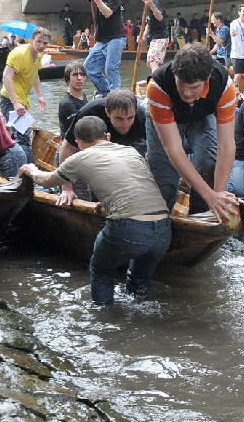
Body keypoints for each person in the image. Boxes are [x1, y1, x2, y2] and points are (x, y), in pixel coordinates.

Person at [20, 116, 170, 305]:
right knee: (138, 280)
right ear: (107, 137)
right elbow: (134, 185)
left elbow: (47, 180)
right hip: (164, 229)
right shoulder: (130, 151)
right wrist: (105, 205)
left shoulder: (80, 157)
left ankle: (105, 317)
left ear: (78, 143)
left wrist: (31, 169)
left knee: (101, 271)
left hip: (128, 228)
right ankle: (140, 313)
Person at [146, 43, 239, 219]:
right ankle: (160, 220)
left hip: (202, 116)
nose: (187, 93)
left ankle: (201, 215)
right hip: (167, 117)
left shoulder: (224, 86)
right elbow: (173, 149)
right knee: (164, 176)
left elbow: (226, 146)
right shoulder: (157, 86)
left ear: (207, 79)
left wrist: (217, 195)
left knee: (207, 163)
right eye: (182, 85)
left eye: (194, 87)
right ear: (175, 74)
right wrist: (209, 194)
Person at [0, 28, 51, 166]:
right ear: (31, 39)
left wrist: (40, 96)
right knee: (23, 138)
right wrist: (15, 104)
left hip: (22, 101)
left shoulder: (39, 55)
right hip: (10, 99)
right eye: (38, 41)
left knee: (19, 136)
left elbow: (35, 75)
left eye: (45, 43)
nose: (41, 46)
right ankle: (28, 172)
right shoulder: (19, 54)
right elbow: (6, 77)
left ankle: (17, 165)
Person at [82, 0, 126, 96]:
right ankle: (106, 92)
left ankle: (115, 94)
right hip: (101, 39)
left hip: (116, 37)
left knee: (110, 68)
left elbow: (107, 13)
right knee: (89, 67)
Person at [138, 0, 169, 72]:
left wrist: (152, 5)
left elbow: (160, 17)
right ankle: (161, 80)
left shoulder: (154, 2)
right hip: (154, 37)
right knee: (152, 62)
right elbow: (148, 23)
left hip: (160, 37)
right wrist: (143, 35)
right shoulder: (145, 6)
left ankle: (156, 82)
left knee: (152, 61)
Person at [57, 61, 88, 137]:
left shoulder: (83, 95)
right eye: (75, 75)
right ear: (67, 79)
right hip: (72, 143)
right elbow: (79, 129)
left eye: (82, 74)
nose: (79, 78)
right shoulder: (67, 103)